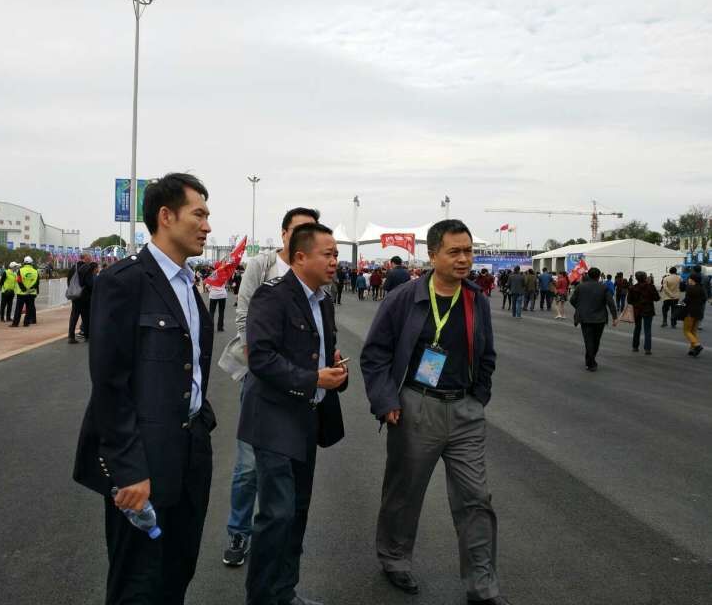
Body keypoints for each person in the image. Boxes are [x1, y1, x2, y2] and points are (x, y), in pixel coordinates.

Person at [73, 173, 217, 604]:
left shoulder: (188, 283)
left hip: (189, 451)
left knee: (178, 570)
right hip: (143, 463)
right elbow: (109, 385)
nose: (207, 226)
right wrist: (128, 470)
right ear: (166, 216)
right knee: (137, 583)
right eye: (199, 214)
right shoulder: (124, 281)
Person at [360, 219, 510, 605]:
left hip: (465, 411)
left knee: (476, 498)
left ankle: (482, 585)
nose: (464, 259)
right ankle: (394, 559)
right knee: (404, 492)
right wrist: (386, 401)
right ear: (432, 255)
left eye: (468, 251)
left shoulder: (476, 300)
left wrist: (478, 398)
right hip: (416, 407)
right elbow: (375, 354)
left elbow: (487, 354)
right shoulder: (404, 298)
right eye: (454, 252)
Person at [237, 222, 348, 605]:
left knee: (297, 511)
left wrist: (334, 370)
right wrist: (313, 377)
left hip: (307, 419)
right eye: (328, 254)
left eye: (336, 255)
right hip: (273, 421)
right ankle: (262, 598)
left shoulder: (324, 301)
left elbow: (320, 353)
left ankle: (285, 593)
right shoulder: (272, 297)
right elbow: (261, 359)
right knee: (277, 515)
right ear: (300, 257)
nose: (335, 262)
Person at [218, 207, 320, 568]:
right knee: (249, 465)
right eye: (299, 229)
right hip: (261, 379)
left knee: (289, 465)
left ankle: (278, 542)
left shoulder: (314, 273)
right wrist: (260, 364)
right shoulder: (262, 266)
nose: (305, 235)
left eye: (312, 229)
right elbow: (244, 316)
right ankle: (239, 530)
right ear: (284, 234)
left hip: (300, 384)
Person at [569, 267, 618, 371]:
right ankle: (591, 361)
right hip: (600, 318)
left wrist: (580, 308)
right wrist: (614, 317)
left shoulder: (580, 286)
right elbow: (611, 303)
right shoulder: (603, 287)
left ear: (589, 275)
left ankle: (590, 362)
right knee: (596, 341)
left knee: (588, 340)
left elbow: (572, 300)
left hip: (585, 318)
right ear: (599, 276)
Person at [627, 270, 660, 355]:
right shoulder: (651, 287)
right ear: (645, 278)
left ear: (636, 278)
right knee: (647, 329)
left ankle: (635, 347)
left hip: (637, 310)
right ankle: (647, 349)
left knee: (637, 328)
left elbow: (629, 301)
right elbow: (657, 298)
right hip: (648, 310)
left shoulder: (632, 288)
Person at [67, 260, 96, 344]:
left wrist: (73, 291)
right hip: (85, 297)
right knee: (86, 317)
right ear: (86, 259)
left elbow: (69, 281)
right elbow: (89, 283)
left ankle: (71, 336)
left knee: (74, 316)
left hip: (75, 296)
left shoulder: (73, 268)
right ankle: (87, 336)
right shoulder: (87, 268)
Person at [11, 256, 39, 327]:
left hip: (21, 293)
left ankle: (15, 323)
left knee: (18, 309)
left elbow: (19, 281)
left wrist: (24, 289)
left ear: (24, 263)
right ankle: (26, 323)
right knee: (29, 309)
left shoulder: (20, 270)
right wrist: (30, 289)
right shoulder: (35, 271)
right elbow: (37, 283)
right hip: (31, 293)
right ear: (31, 263)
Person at [683, 273, 705, 356]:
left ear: (692, 280)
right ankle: (692, 349)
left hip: (690, 312)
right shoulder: (702, 288)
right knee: (693, 331)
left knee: (686, 331)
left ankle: (697, 345)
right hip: (699, 312)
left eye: (689, 278)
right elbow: (704, 300)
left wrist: (680, 303)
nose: (688, 280)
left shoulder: (690, 288)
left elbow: (686, 300)